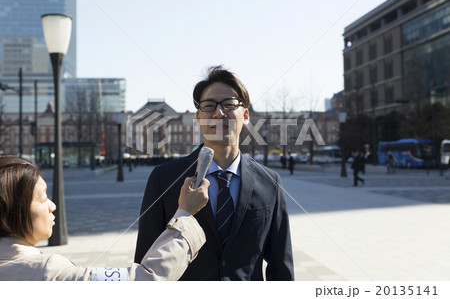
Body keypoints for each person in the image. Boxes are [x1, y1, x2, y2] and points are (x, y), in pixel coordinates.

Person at [134, 66, 294, 280]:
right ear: (199, 117)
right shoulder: (164, 179)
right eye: (209, 106)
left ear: (245, 115)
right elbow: (145, 259)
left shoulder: (270, 183)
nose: (219, 113)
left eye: (229, 104)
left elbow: (280, 266)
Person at [0, 156, 209, 281]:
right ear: (12, 209)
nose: (52, 206)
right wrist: (184, 214)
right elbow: (144, 281)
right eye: (43, 197)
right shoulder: (46, 272)